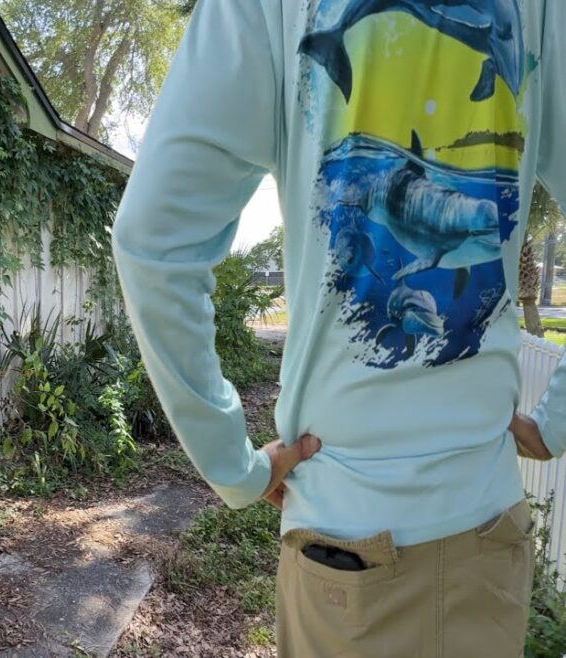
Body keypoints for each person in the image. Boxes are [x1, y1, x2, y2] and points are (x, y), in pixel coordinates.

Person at [112, 1, 562, 656]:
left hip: (342, 550)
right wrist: (555, 424)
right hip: (489, 542)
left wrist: (233, 468)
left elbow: (150, 241)